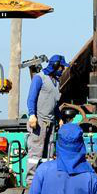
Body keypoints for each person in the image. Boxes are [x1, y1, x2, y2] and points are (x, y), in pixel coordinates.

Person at [25, 54, 69, 185]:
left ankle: (45, 179)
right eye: (61, 67)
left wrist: (59, 118)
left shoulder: (56, 82)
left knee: (48, 153)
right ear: (55, 66)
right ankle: (31, 181)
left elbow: (54, 104)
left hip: (51, 122)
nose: (62, 70)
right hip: (39, 123)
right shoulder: (39, 78)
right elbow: (31, 98)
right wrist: (32, 114)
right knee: (35, 153)